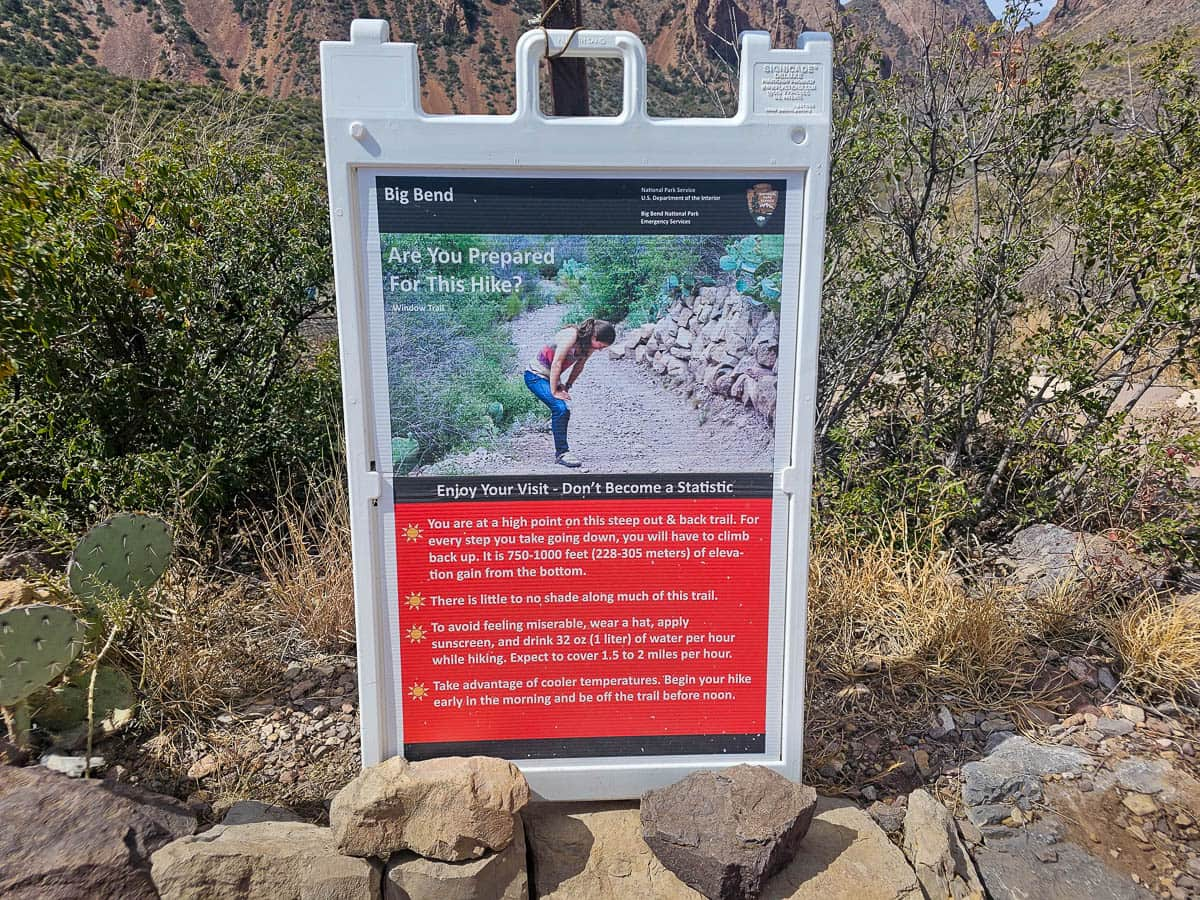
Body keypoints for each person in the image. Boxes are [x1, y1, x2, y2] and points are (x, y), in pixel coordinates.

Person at [524, 318, 616, 467]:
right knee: (560, 408)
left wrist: (567, 386)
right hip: (535, 376)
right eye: (601, 345)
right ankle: (562, 454)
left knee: (562, 409)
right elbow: (557, 363)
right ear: (594, 337)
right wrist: (555, 391)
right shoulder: (571, 335)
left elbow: (579, 366)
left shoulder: (588, 346)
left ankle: (558, 438)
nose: (600, 349)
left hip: (551, 378)